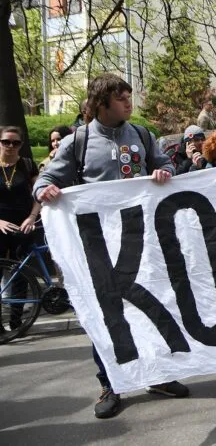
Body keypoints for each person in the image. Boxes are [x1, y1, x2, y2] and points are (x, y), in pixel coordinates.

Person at [32, 73, 186, 419]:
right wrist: (44, 191)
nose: (130, 103)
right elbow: (46, 179)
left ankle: (159, 375)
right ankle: (110, 383)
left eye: (130, 97)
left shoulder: (143, 135)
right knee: (107, 312)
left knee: (154, 303)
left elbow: (164, 164)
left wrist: (164, 171)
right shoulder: (80, 141)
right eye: (121, 98)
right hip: (97, 243)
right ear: (102, 103)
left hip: (141, 236)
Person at [1, 126, 41, 336]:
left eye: (15, 143)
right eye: (6, 141)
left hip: (23, 223)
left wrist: (32, 217)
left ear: (21, 145)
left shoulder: (26, 165)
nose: (10, 146)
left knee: (20, 274)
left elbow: (39, 194)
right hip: (0, 225)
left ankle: (17, 322)